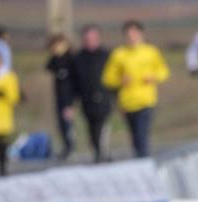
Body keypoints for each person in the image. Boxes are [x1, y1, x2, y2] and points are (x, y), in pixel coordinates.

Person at [102, 20, 169, 159]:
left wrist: (154, 77)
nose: (132, 37)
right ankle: (140, 160)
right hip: (127, 102)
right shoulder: (119, 54)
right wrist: (120, 80)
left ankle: (144, 162)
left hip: (147, 100)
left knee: (141, 134)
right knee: (134, 136)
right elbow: (107, 78)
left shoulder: (151, 51)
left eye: (134, 33)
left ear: (141, 34)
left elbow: (164, 71)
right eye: (128, 34)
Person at [71, 26, 111, 162]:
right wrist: (71, 102)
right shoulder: (78, 58)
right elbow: (73, 82)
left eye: (93, 38)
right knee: (92, 128)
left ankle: (103, 152)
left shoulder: (107, 55)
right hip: (86, 100)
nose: (90, 41)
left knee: (103, 126)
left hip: (105, 98)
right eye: (87, 39)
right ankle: (97, 152)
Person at [46, 34, 78, 160]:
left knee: (67, 123)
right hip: (59, 97)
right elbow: (48, 66)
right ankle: (66, 146)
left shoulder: (71, 59)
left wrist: (72, 101)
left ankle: (70, 147)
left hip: (68, 98)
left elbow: (75, 80)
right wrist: (56, 55)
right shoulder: (56, 60)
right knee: (61, 123)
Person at [0, 64, 17, 177]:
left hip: (3, 115)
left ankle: (3, 168)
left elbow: (14, 96)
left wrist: (3, 94)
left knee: (2, 143)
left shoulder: (8, 76)